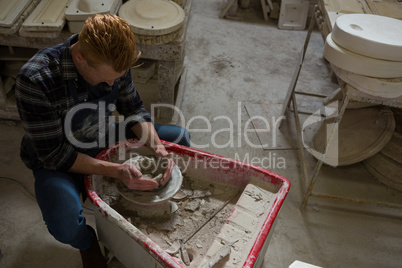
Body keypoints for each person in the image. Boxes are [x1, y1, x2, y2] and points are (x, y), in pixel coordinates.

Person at [15, 14, 190, 267]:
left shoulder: (115, 62)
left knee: (180, 139)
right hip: (56, 154)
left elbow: (133, 109)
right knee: (63, 223)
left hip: (99, 133)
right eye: (107, 79)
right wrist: (118, 171)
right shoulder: (34, 80)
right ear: (80, 57)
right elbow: (55, 154)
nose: (112, 83)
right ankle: (87, 242)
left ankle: (138, 214)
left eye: (117, 77)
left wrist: (157, 146)